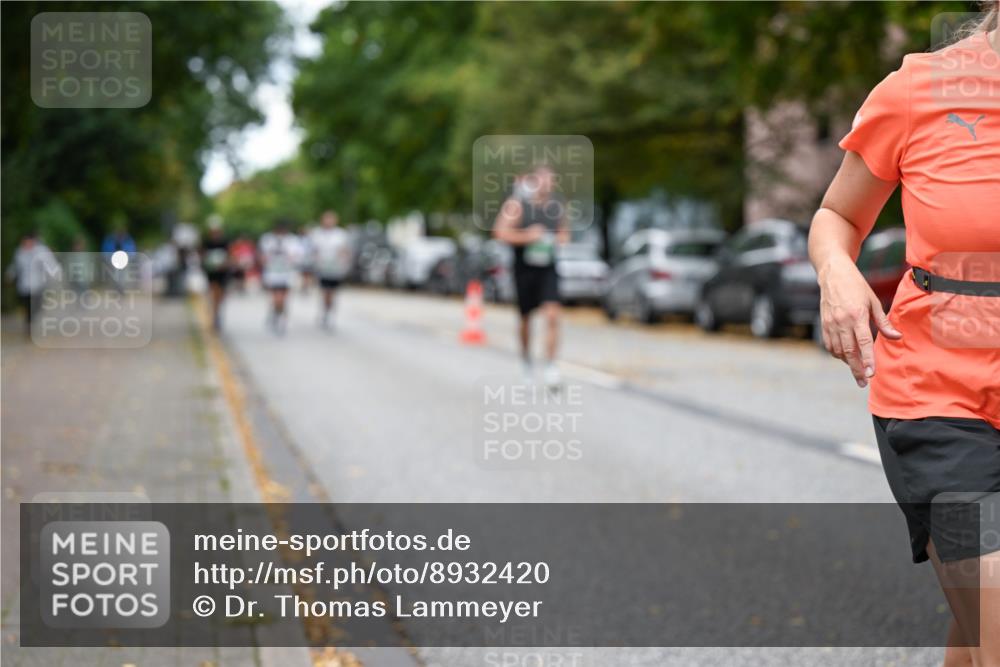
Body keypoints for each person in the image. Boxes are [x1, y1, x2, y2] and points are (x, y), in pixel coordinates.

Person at [808, 10, 998, 665]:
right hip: (938, 397)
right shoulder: (921, 90)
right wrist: (838, 273)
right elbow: (837, 215)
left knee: (981, 630)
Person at [493, 165, 570, 387]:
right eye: (544, 179)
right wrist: (528, 236)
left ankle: (551, 366)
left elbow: (565, 234)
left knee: (553, 315)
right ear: (534, 180)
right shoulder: (517, 205)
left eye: (551, 180)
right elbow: (500, 232)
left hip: (548, 267)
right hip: (524, 268)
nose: (548, 184)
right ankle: (526, 362)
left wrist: (555, 239)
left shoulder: (557, 205)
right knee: (526, 319)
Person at [5, 232, 61, 335]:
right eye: (24, 242)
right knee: (27, 306)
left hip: (38, 285)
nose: (26, 245)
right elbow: (15, 266)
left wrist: (55, 275)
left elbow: (50, 264)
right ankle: (29, 325)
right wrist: (10, 275)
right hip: (24, 286)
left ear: (33, 242)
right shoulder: (19, 252)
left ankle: (31, 319)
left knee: (37, 306)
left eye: (28, 242)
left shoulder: (41, 251)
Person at [258, 218, 303, 335]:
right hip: (273, 273)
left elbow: (298, 256)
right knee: (277, 297)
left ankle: (281, 318)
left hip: (287, 274)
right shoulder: (268, 239)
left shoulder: (293, 240)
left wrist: (291, 258)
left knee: (284, 298)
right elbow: (262, 256)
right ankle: (276, 314)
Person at [309, 210, 352, 329]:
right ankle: (324, 311)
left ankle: (330, 313)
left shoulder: (341, 234)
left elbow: (345, 250)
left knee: (332, 293)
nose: (328, 222)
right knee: (324, 292)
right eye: (326, 219)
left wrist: (344, 261)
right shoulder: (317, 234)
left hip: (335, 268)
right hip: (322, 268)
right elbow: (313, 250)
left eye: (331, 219)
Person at [199, 216, 231, 332]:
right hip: (211, 272)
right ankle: (214, 314)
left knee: (220, 295)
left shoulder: (225, 241)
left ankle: (217, 313)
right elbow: (202, 255)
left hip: (222, 272)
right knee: (214, 292)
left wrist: (225, 265)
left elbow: (229, 256)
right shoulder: (206, 242)